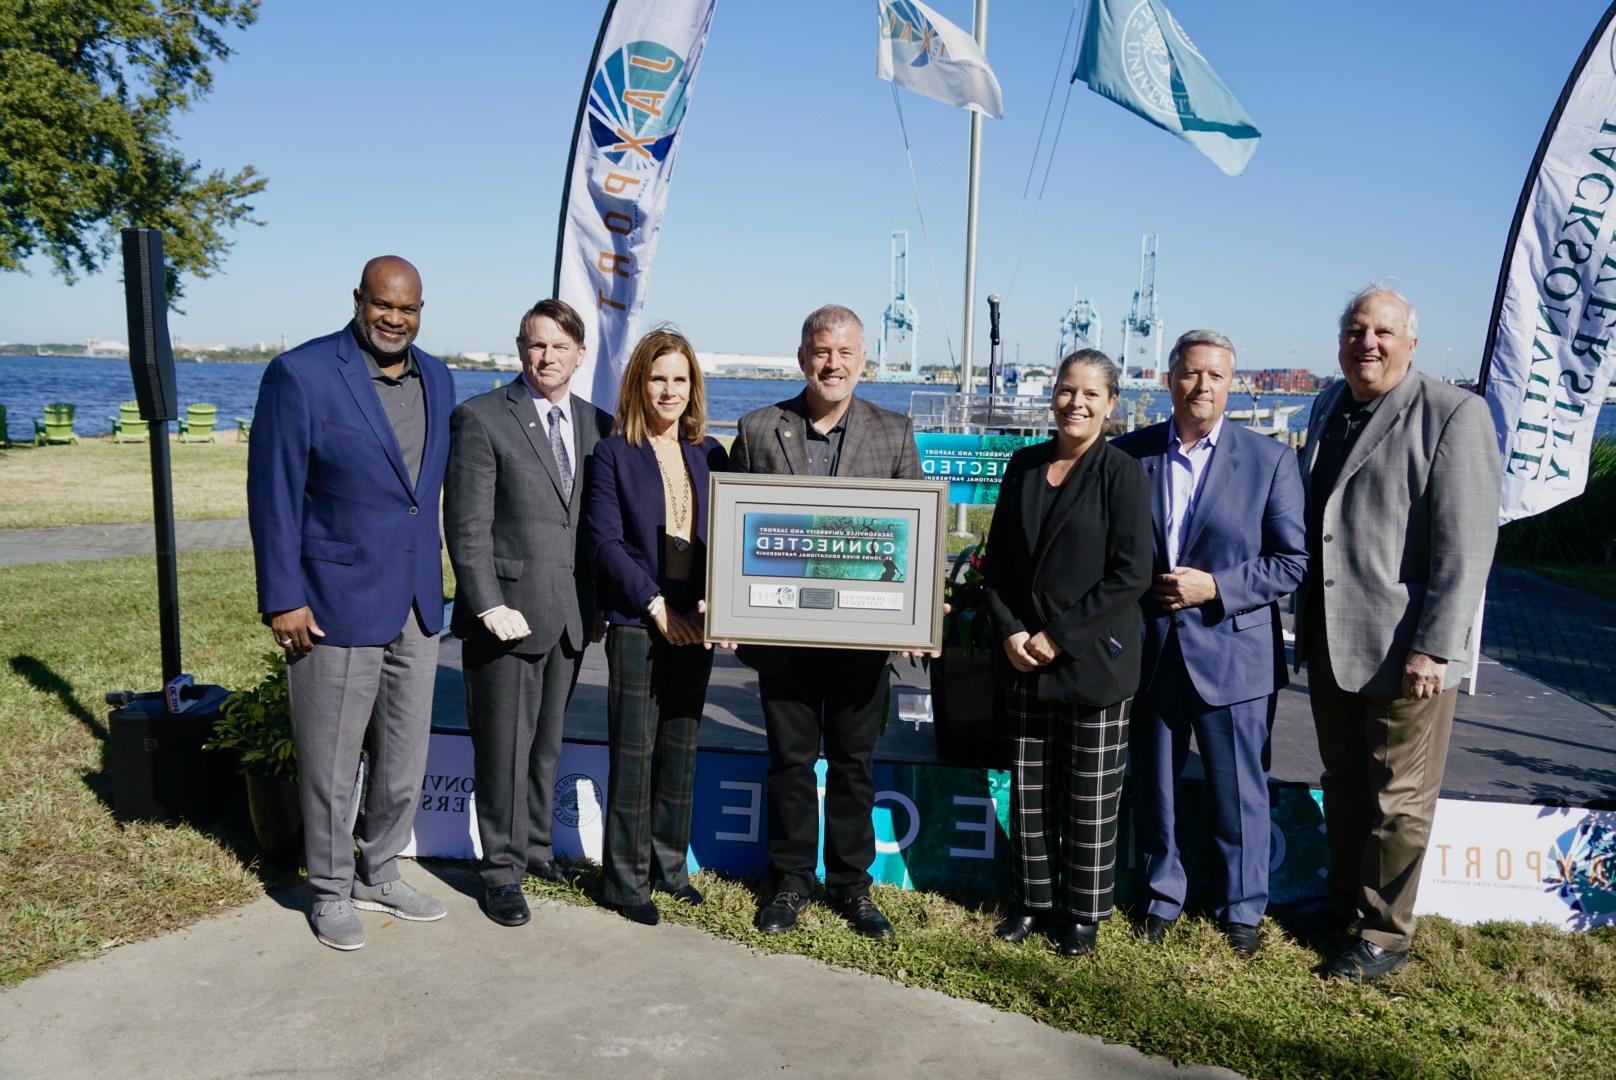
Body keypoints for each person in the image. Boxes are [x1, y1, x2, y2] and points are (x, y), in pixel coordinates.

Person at [247, 256, 454, 951]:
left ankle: (380, 869)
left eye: (410, 307)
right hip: (332, 603)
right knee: (331, 762)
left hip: (418, 604)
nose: (395, 319)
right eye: (383, 305)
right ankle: (331, 888)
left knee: (403, 759)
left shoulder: (439, 377)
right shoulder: (301, 375)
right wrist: (283, 599)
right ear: (359, 300)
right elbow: (272, 492)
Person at [1297, 285, 1500, 983]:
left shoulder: (1454, 414)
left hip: (1406, 649)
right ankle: (1345, 905)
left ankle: (1384, 936)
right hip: (1332, 640)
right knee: (1347, 781)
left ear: (1411, 342)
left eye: (1383, 331)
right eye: (1356, 330)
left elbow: (1466, 547)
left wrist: (1436, 646)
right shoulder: (1328, 405)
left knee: (1399, 799)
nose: (1368, 343)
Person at [728, 304, 922, 939]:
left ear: (862, 360)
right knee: (788, 761)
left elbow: (912, 538)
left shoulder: (894, 432)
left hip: (863, 642)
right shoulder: (759, 429)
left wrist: (921, 613)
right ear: (802, 355)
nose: (831, 363)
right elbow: (733, 534)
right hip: (783, 641)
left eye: (844, 353)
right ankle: (789, 881)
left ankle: (851, 885)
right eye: (820, 351)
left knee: (853, 764)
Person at [1113, 330, 1307, 958]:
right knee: (1156, 785)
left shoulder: (1270, 461)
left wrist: (1215, 587)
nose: (1202, 386)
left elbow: (1291, 562)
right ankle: (1161, 896)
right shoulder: (1128, 454)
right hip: (1151, 652)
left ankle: (1242, 909)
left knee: (1239, 791)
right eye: (1191, 374)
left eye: (1216, 376)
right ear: (1170, 380)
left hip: (1234, 651)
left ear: (1232, 384)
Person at [443, 298, 613, 928]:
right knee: (503, 750)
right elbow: (466, 527)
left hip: (569, 616)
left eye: (560, 347)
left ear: (580, 354)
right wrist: (487, 603)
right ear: (520, 349)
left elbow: (594, 526)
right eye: (536, 345)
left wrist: (594, 606)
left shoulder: (599, 424)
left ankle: (537, 849)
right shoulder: (482, 418)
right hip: (506, 616)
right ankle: (500, 873)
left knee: (545, 747)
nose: (547, 357)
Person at [982, 349, 1152, 958]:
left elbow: (1131, 575)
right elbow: (995, 564)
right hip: (1023, 655)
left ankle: (1083, 911)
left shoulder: (1121, 472)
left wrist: (1059, 636)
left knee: (1090, 795)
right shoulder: (1025, 465)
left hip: (1094, 659)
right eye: (1065, 390)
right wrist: (1009, 632)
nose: (1075, 403)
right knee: (1029, 790)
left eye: (1090, 394)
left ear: (1110, 404)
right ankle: (1032, 900)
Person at [586, 328, 728, 926]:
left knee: (681, 745)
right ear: (638, 384)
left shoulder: (711, 453)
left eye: (680, 378)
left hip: (695, 622)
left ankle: (670, 868)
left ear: (693, 386)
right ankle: (624, 881)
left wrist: (720, 605)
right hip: (638, 621)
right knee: (636, 751)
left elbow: (732, 538)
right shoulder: (613, 453)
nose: (669, 390)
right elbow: (604, 544)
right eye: (657, 378)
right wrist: (654, 606)